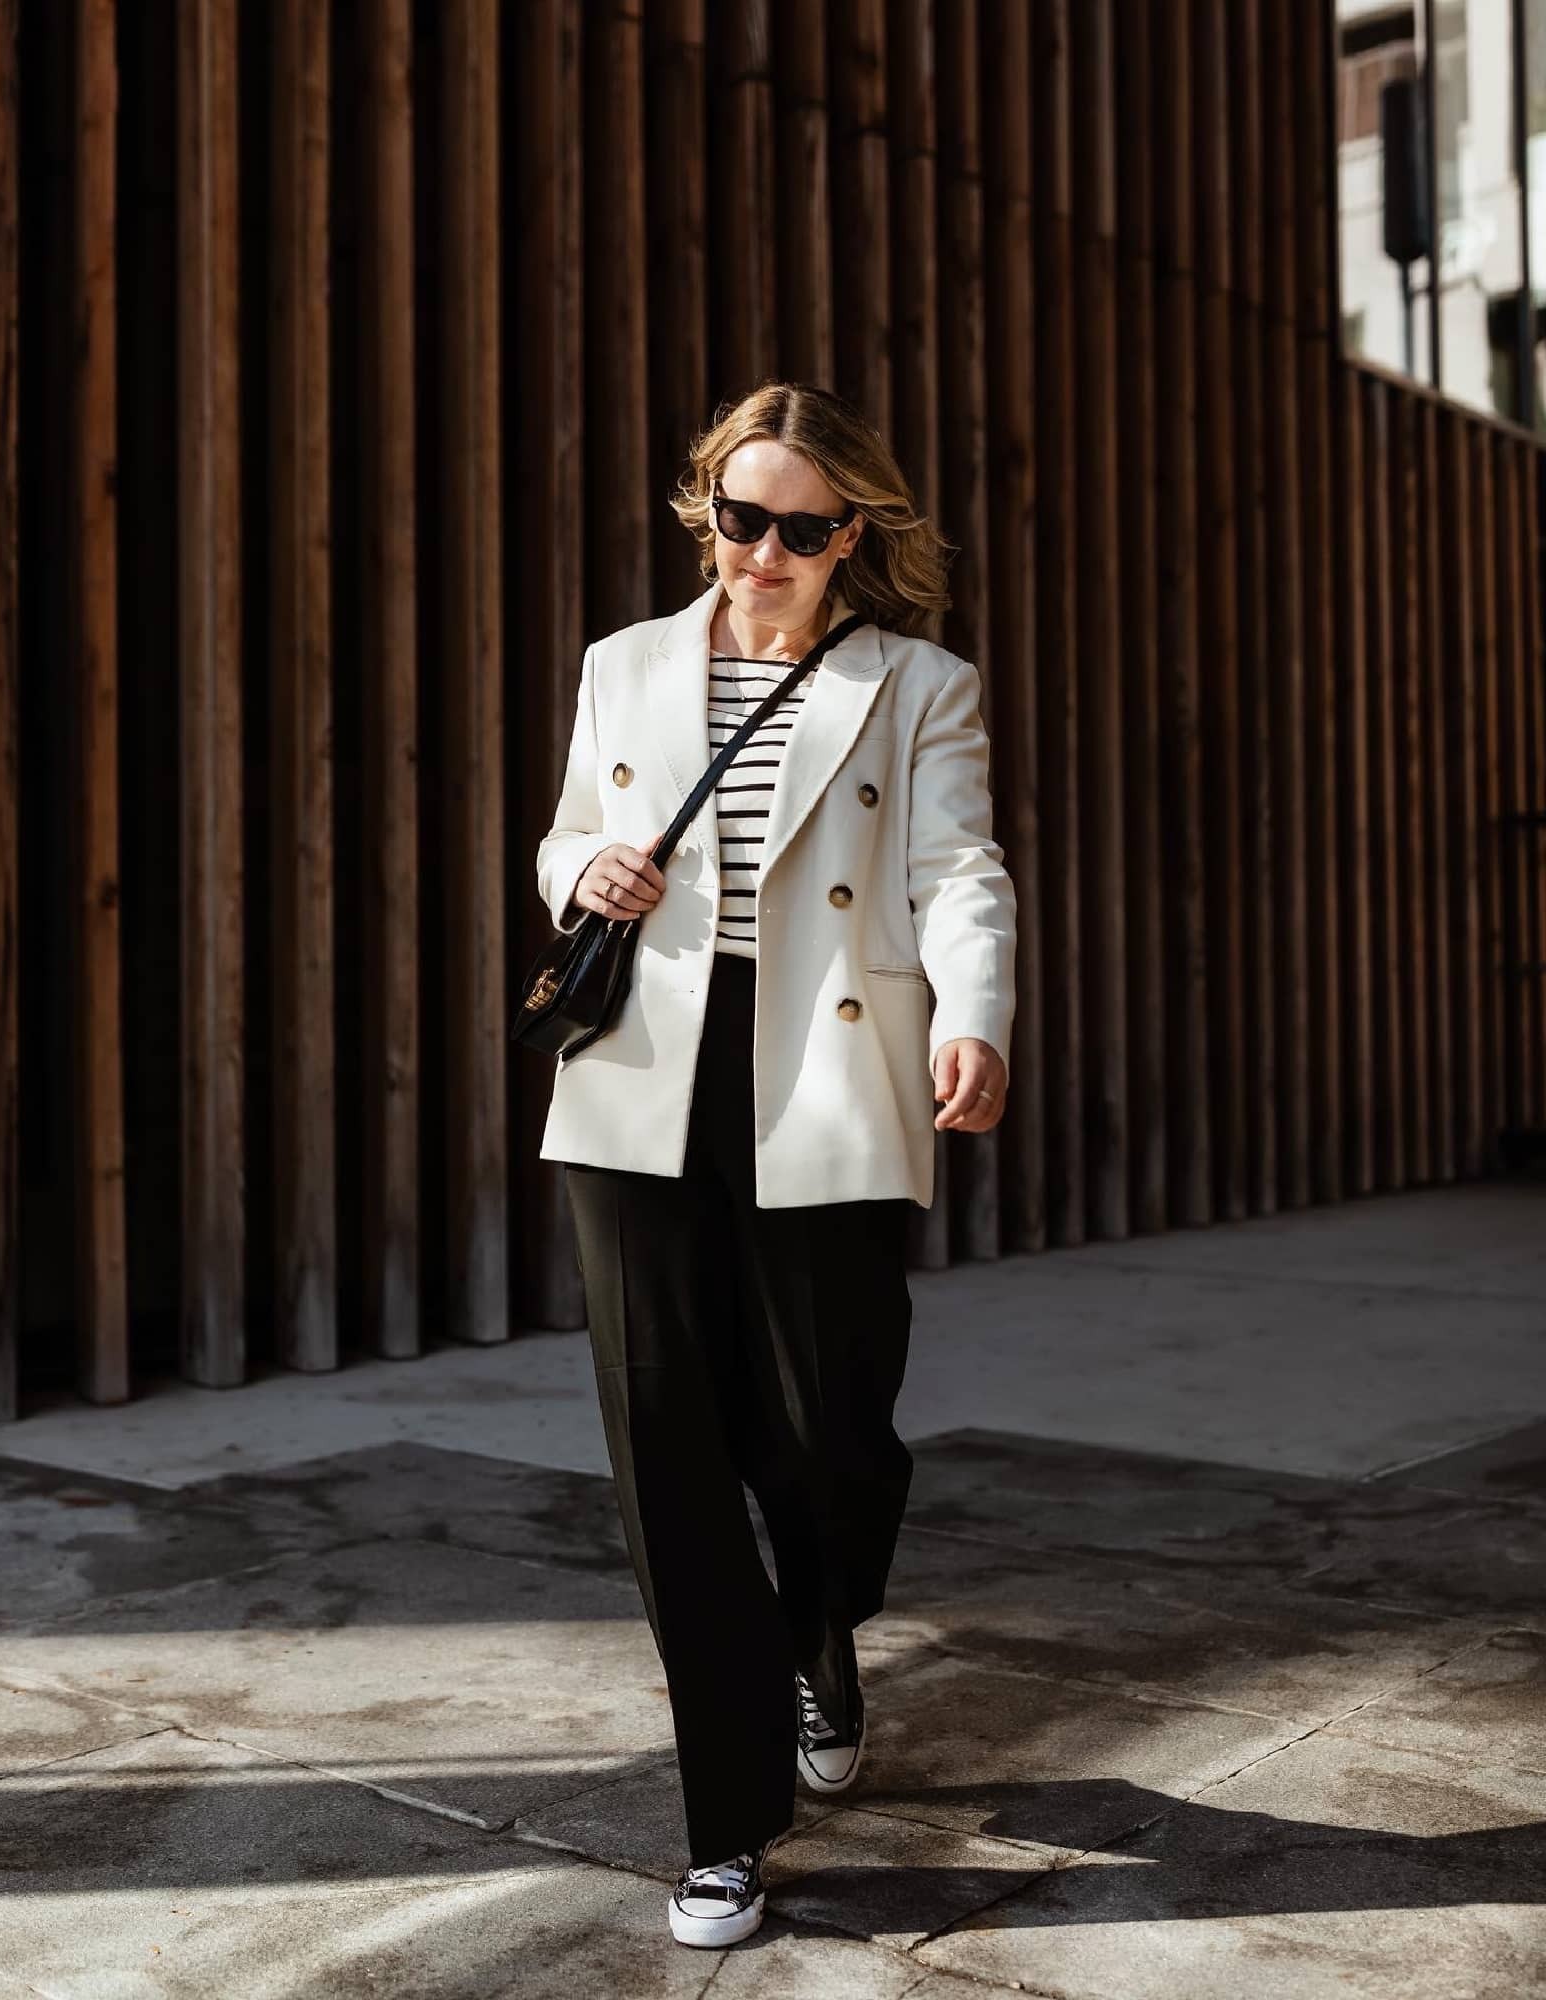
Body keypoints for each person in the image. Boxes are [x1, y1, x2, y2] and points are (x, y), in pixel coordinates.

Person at [535, 379, 1018, 1948]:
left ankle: (825, 1626)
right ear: (705, 508)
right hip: (643, 1081)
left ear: (847, 535)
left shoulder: (915, 684)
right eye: (738, 519)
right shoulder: (625, 667)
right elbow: (563, 837)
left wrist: (977, 1013)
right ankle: (726, 1821)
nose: (760, 554)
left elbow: (958, 866)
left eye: (798, 531)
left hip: (826, 1064)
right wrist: (580, 866)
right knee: (664, 1442)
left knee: (828, 1435)